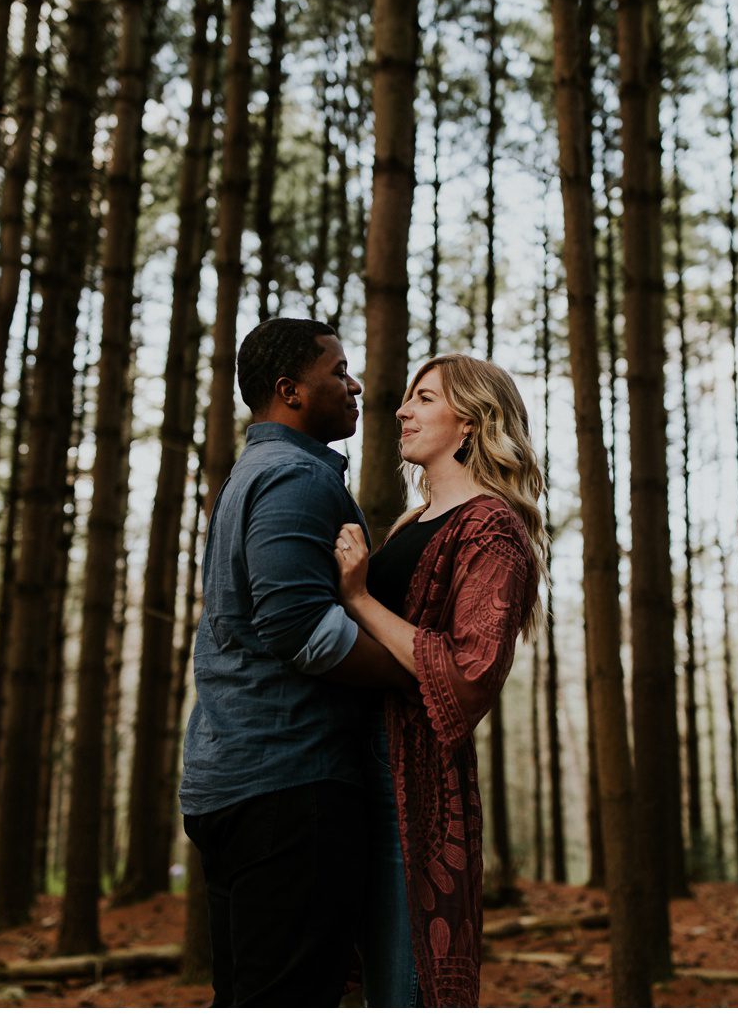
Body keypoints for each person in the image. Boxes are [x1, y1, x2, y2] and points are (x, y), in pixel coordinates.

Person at [180, 318, 412, 1007]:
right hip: (289, 785)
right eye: (338, 371)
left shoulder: (253, 474)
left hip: (242, 780)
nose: (355, 384)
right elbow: (297, 627)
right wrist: (412, 666)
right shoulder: (294, 478)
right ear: (290, 391)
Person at [334, 354, 549, 1008]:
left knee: (404, 987)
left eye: (423, 398)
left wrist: (359, 597)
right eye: (406, 398)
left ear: (470, 424)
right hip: (351, 768)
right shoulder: (410, 520)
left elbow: (468, 676)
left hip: (414, 786)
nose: (402, 410)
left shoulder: (493, 528)